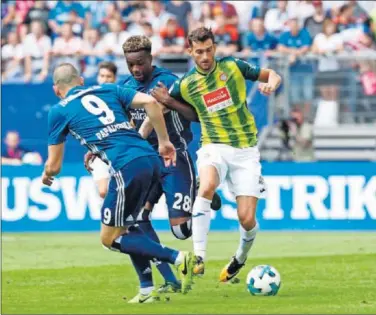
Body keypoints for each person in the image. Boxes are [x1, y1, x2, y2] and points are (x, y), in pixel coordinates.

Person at [42, 63, 195, 302]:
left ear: (55, 89)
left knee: (109, 238)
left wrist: (46, 174)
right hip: (149, 157)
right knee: (128, 226)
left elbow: (54, 166)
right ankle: (146, 289)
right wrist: (164, 142)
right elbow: (151, 103)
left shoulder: (59, 110)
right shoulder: (108, 90)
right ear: (81, 81)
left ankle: (178, 258)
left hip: (126, 166)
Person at [151, 27, 281, 281]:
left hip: (245, 150)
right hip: (214, 145)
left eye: (209, 50)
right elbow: (165, 107)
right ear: (190, 52)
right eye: (199, 52)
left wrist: (272, 82)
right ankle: (199, 256)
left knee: (246, 218)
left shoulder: (233, 67)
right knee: (208, 184)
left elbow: (270, 74)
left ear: (214, 48)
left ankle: (240, 258)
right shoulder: (186, 84)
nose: (205, 56)